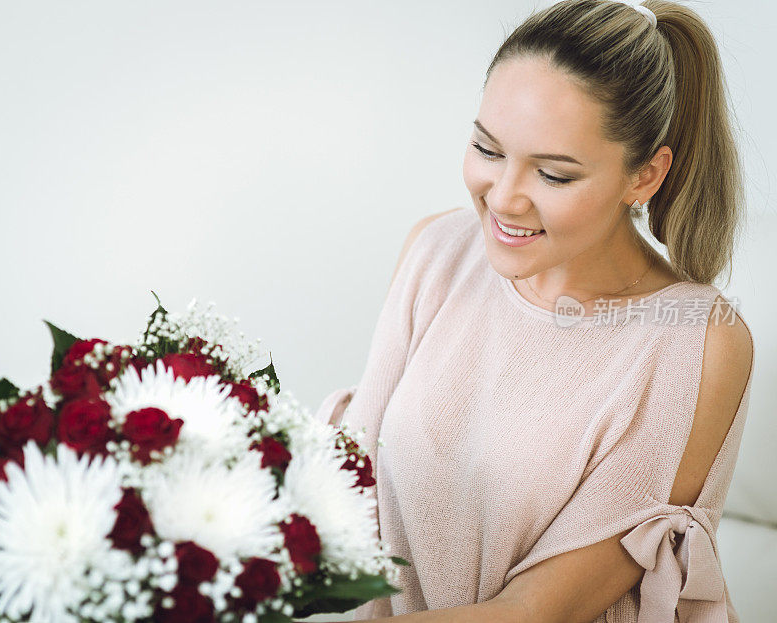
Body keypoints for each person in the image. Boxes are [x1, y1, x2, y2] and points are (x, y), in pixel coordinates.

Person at [314, 0, 754, 621]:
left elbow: (538, 611)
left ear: (644, 176)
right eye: (487, 149)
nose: (504, 198)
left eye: (553, 174)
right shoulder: (436, 253)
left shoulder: (697, 343)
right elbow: (347, 478)